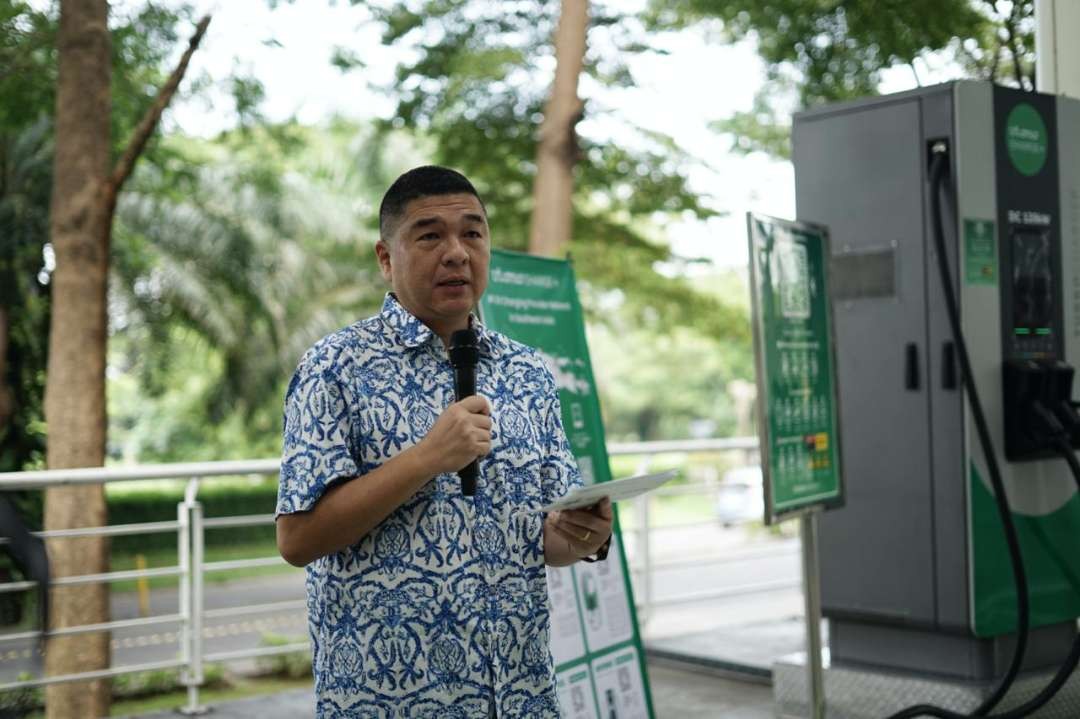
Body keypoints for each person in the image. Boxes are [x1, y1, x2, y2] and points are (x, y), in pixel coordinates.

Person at [276, 165, 614, 718]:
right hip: (390, 702)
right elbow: (298, 538)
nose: (456, 252)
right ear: (386, 258)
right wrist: (429, 458)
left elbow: (548, 541)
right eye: (430, 235)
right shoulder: (335, 366)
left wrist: (586, 535)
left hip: (520, 697)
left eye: (472, 233)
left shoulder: (527, 370)